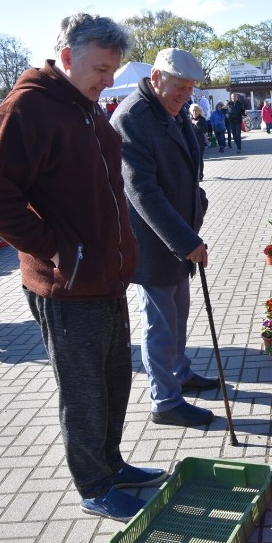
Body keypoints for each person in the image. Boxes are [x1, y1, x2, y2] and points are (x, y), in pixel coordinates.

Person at [0, 12, 167, 523]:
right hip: (68, 283)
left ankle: (111, 463)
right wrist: (51, 247)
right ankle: (94, 484)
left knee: (114, 380)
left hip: (106, 276)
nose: (108, 80)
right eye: (101, 69)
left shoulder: (85, 109)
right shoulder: (27, 109)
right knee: (83, 390)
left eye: (112, 70)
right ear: (66, 59)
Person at [110, 47, 219, 429]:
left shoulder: (168, 109)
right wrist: (186, 240)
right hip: (154, 244)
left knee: (179, 315)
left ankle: (180, 372)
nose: (186, 95)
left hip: (178, 237)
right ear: (156, 78)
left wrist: (197, 206)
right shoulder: (132, 118)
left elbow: (190, 164)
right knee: (160, 324)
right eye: (180, 87)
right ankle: (165, 401)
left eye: (190, 88)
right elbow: (142, 192)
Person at [189, 103, 208, 180]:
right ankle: (194, 175)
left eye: (196, 111)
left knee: (199, 159)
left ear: (199, 111)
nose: (194, 112)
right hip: (192, 143)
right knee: (193, 159)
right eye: (193, 111)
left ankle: (200, 175)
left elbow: (205, 130)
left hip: (200, 143)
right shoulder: (189, 119)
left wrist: (198, 124)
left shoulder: (202, 120)